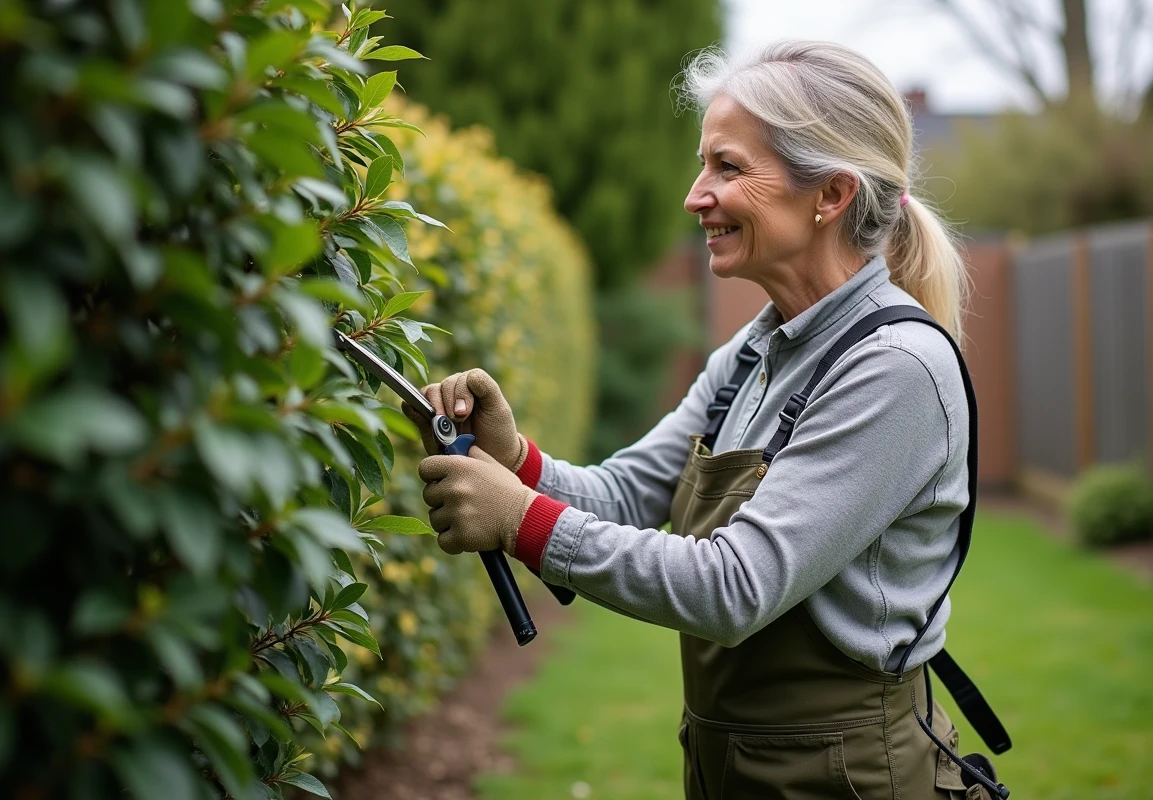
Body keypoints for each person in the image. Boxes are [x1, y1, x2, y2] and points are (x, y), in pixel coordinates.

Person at [406, 40, 1008, 800]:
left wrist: (522, 519)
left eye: (728, 167)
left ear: (830, 195)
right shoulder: (755, 351)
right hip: (735, 768)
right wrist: (514, 459)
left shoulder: (895, 371)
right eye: (705, 165)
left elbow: (734, 585)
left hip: (849, 778)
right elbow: (627, 494)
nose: (695, 194)